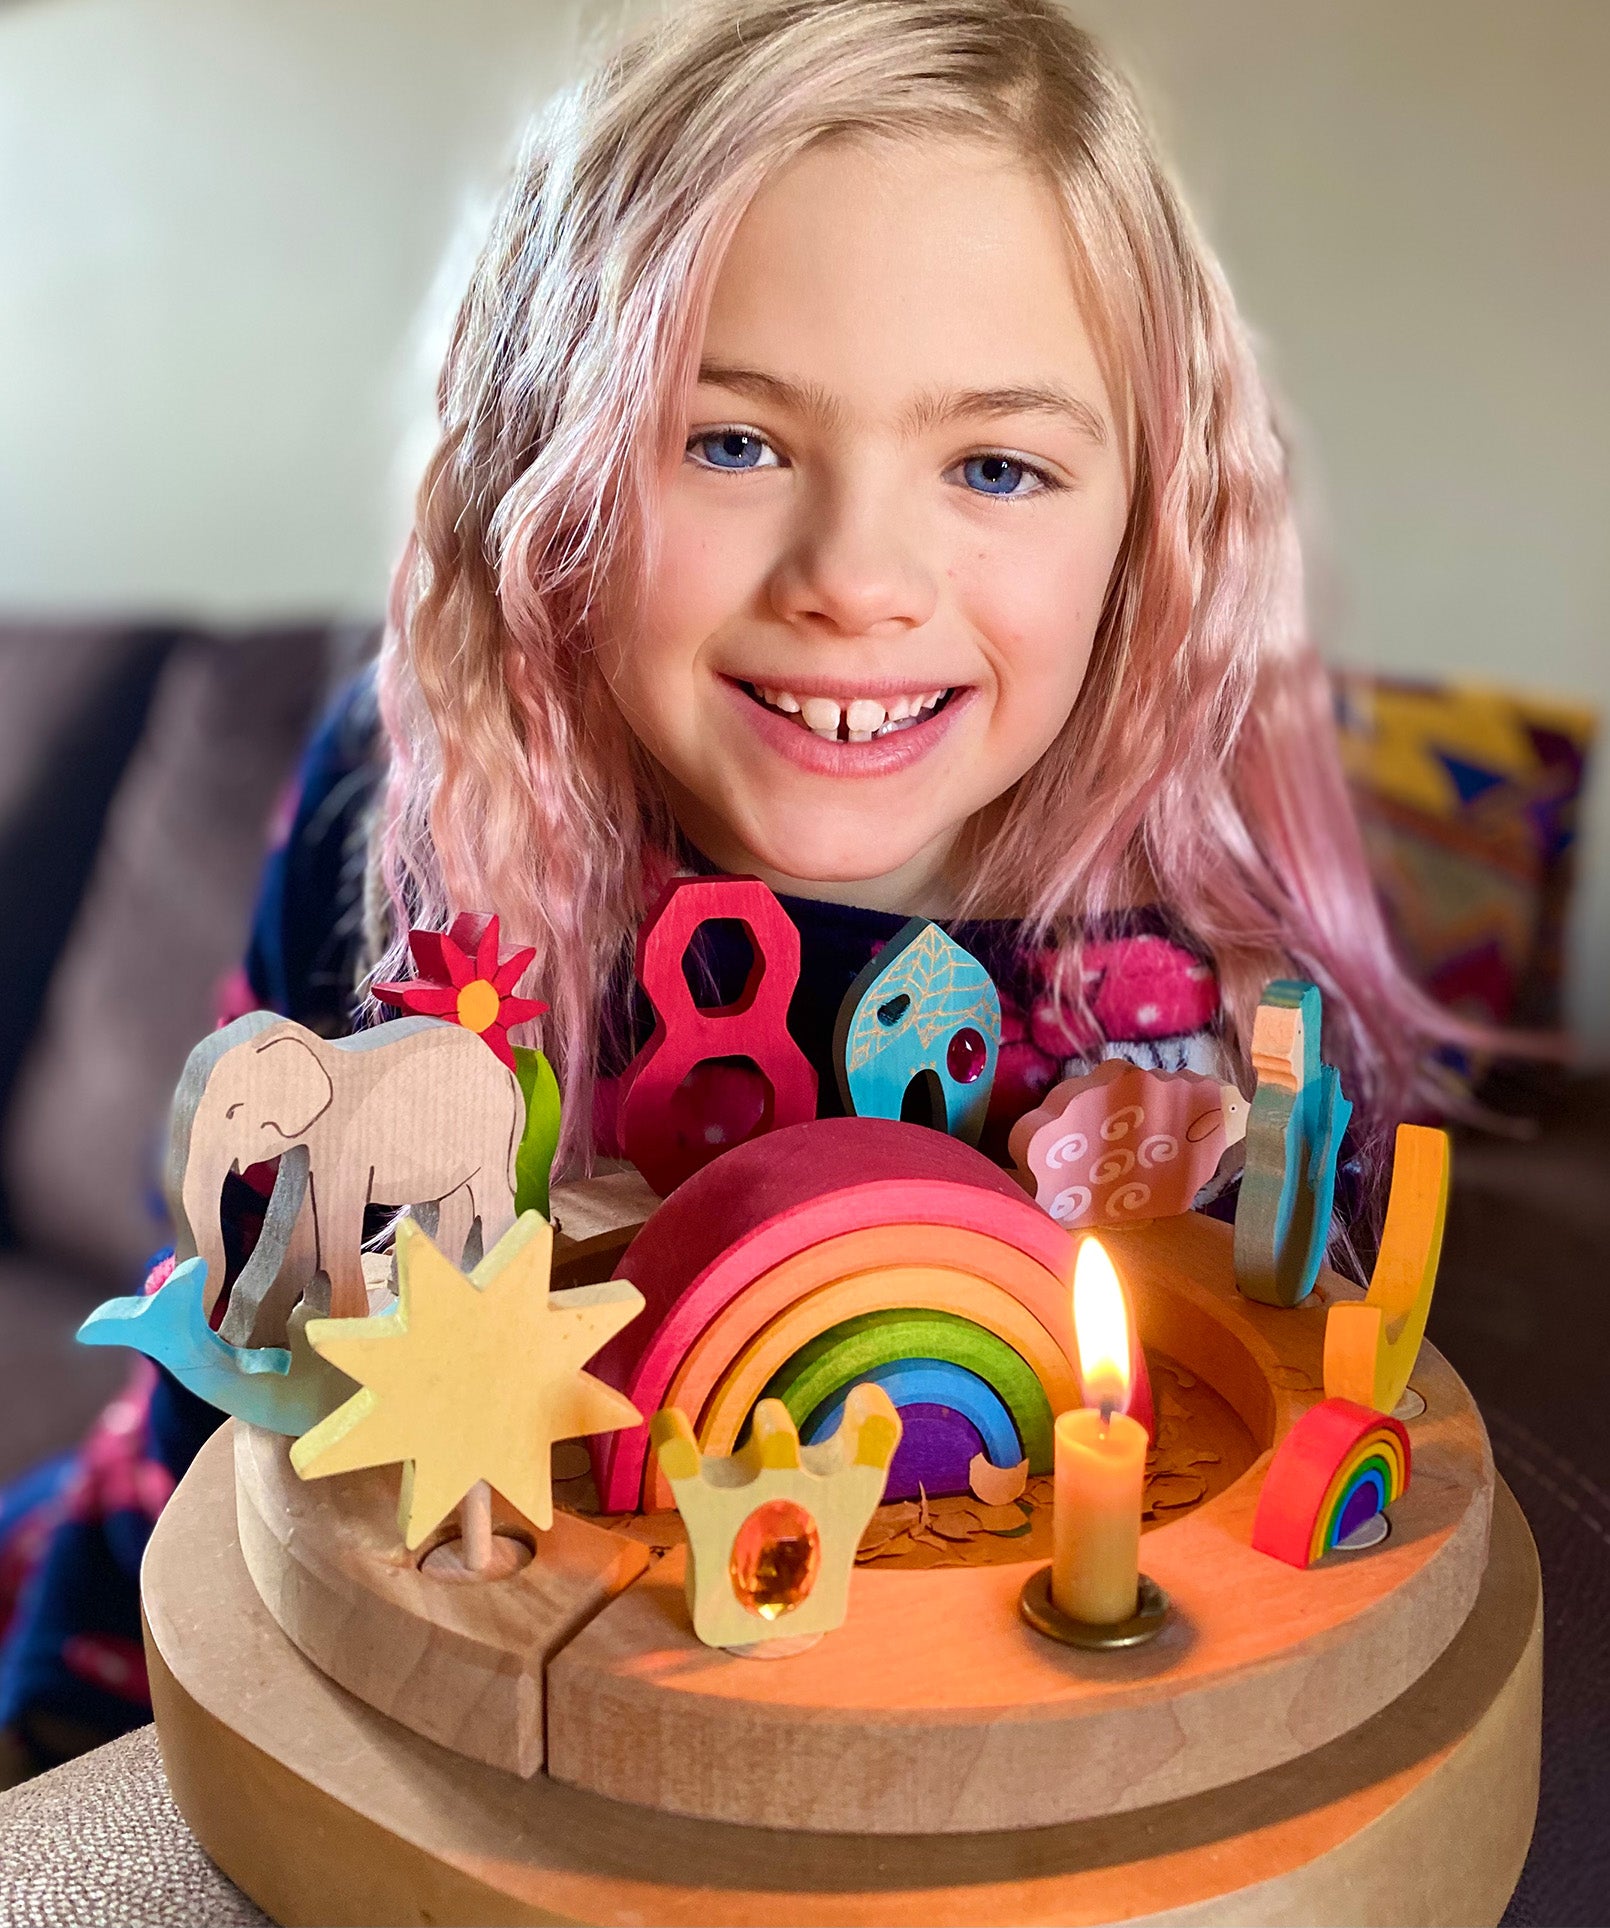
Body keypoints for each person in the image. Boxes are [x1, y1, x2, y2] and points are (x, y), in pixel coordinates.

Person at [0, 0, 1477, 1772]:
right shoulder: (403, 800)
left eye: (994, 466)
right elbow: (236, 1356)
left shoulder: (1215, 987)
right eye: (731, 442)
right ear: (544, 465)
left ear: (1148, 519)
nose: (856, 575)